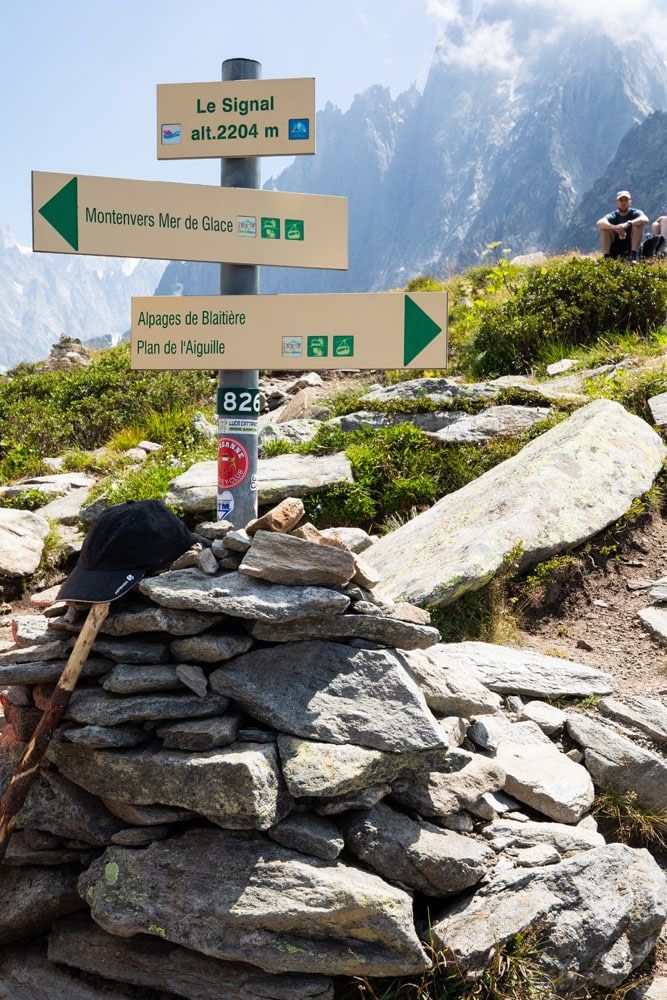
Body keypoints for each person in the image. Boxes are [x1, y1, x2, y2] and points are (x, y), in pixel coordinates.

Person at [596, 191, 648, 262]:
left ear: (630, 202)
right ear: (617, 203)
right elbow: (599, 223)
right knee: (605, 229)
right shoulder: (613, 215)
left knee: (638, 225)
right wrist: (613, 227)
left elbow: (645, 219)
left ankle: (633, 256)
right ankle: (607, 258)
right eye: (621, 200)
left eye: (626, 200)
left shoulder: (635, 213)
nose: (624, 203)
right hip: (615, 246)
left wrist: (629, 223)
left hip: (631, 245)